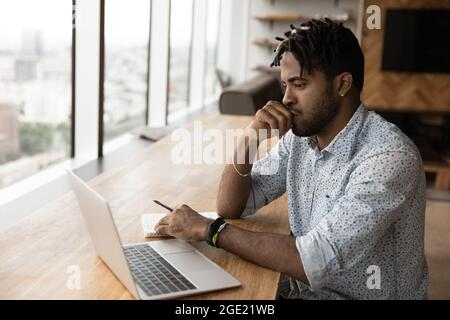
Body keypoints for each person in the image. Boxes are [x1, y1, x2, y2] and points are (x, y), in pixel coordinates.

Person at [155, 19, 428, 299]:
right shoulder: (301, 139)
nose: (286, 99)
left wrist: (210, 230)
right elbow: (231, 206)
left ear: (343, 84)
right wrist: (249, 140)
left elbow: (315, 259)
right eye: (285, 85)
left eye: (299, 84)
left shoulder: (388, 157)